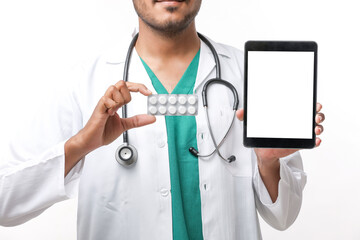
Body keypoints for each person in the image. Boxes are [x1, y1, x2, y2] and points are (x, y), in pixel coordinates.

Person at [0, 0, 325, 239]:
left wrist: (268, 162)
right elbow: (5, 201)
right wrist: (82, 144)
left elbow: (284, 217)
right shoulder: (84, 82)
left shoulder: (248, 74)